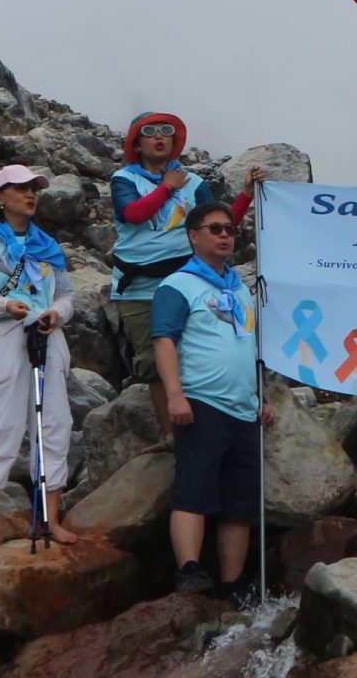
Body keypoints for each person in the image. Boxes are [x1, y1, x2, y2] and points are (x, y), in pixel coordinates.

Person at [151, 199, 276, 598]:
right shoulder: (177, 285)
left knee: (239, 503)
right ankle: (189, 570)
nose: (225, 235)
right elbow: (164, 340)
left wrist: (262, 397)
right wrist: (175, 396)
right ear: (193, 235)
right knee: (194, 489)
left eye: (230, 230)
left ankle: (231, 584)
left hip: (244, 408)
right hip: (202, 402)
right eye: (216, 229)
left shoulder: (240, 288)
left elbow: (251, 346)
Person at [0, 165, 79, 550]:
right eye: (21, 188)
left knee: (55, 422)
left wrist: (56, 314)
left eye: (34, 189)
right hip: (4, 334)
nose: (31, 194)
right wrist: (2, 305)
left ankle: (51, 519)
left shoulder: (48, 245)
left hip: (46, 335)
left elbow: (65, 295)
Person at [107, 113, 263, 388]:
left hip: (187, 284)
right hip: (141, 289)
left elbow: (220, 223)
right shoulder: (124, 179)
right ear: (137, 144)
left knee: (195, 355)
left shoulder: (192, 183)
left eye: (166, 130)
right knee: (153, 363)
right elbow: (133, 213)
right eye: (149, 131)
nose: (159, 135)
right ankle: (170, 429)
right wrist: (168, 187)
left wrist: (246, 194)